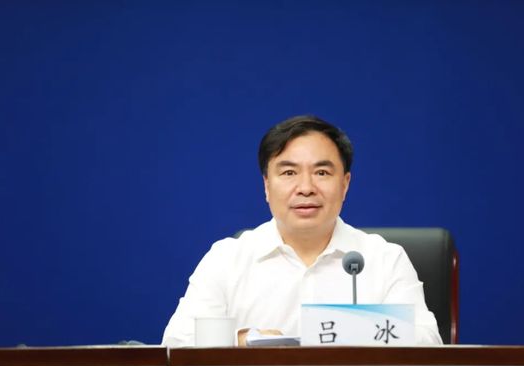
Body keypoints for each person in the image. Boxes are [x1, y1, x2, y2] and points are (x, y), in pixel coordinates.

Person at [162, 115, 442, 346]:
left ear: (345, 184)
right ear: (267, 186)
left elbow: (428, 342)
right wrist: (242, 341)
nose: (306, 188)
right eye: (289, 173)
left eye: (322, 173)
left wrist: (347, 329)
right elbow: (176, 342)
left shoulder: (385, 259)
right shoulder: (227, 259)